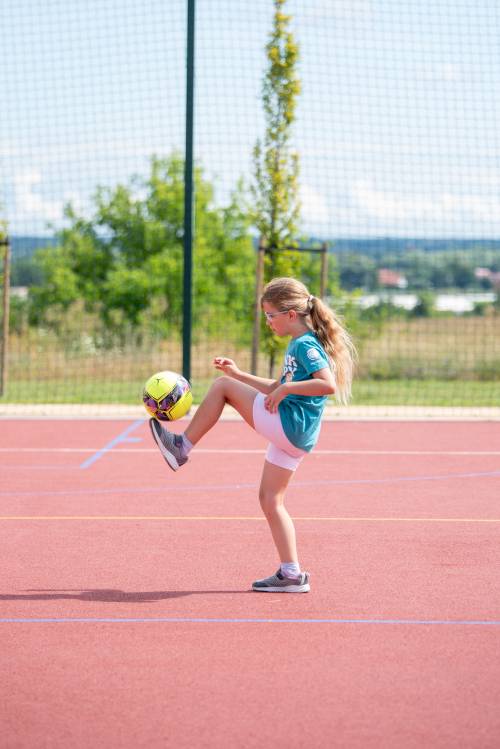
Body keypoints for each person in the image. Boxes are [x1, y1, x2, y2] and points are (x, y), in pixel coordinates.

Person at [149, 277, 356, 593]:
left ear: (290, 314)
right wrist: (239, 374)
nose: (268, 322)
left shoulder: (305, 344)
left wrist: (285, 388)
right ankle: (291, 574)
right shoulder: (297, 343)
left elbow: (327, 384)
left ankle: (182, 445)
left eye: (271, 315)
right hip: (296, 435)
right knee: (270, 500)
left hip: (291, 425)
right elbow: (275, 387)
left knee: (221, 389)